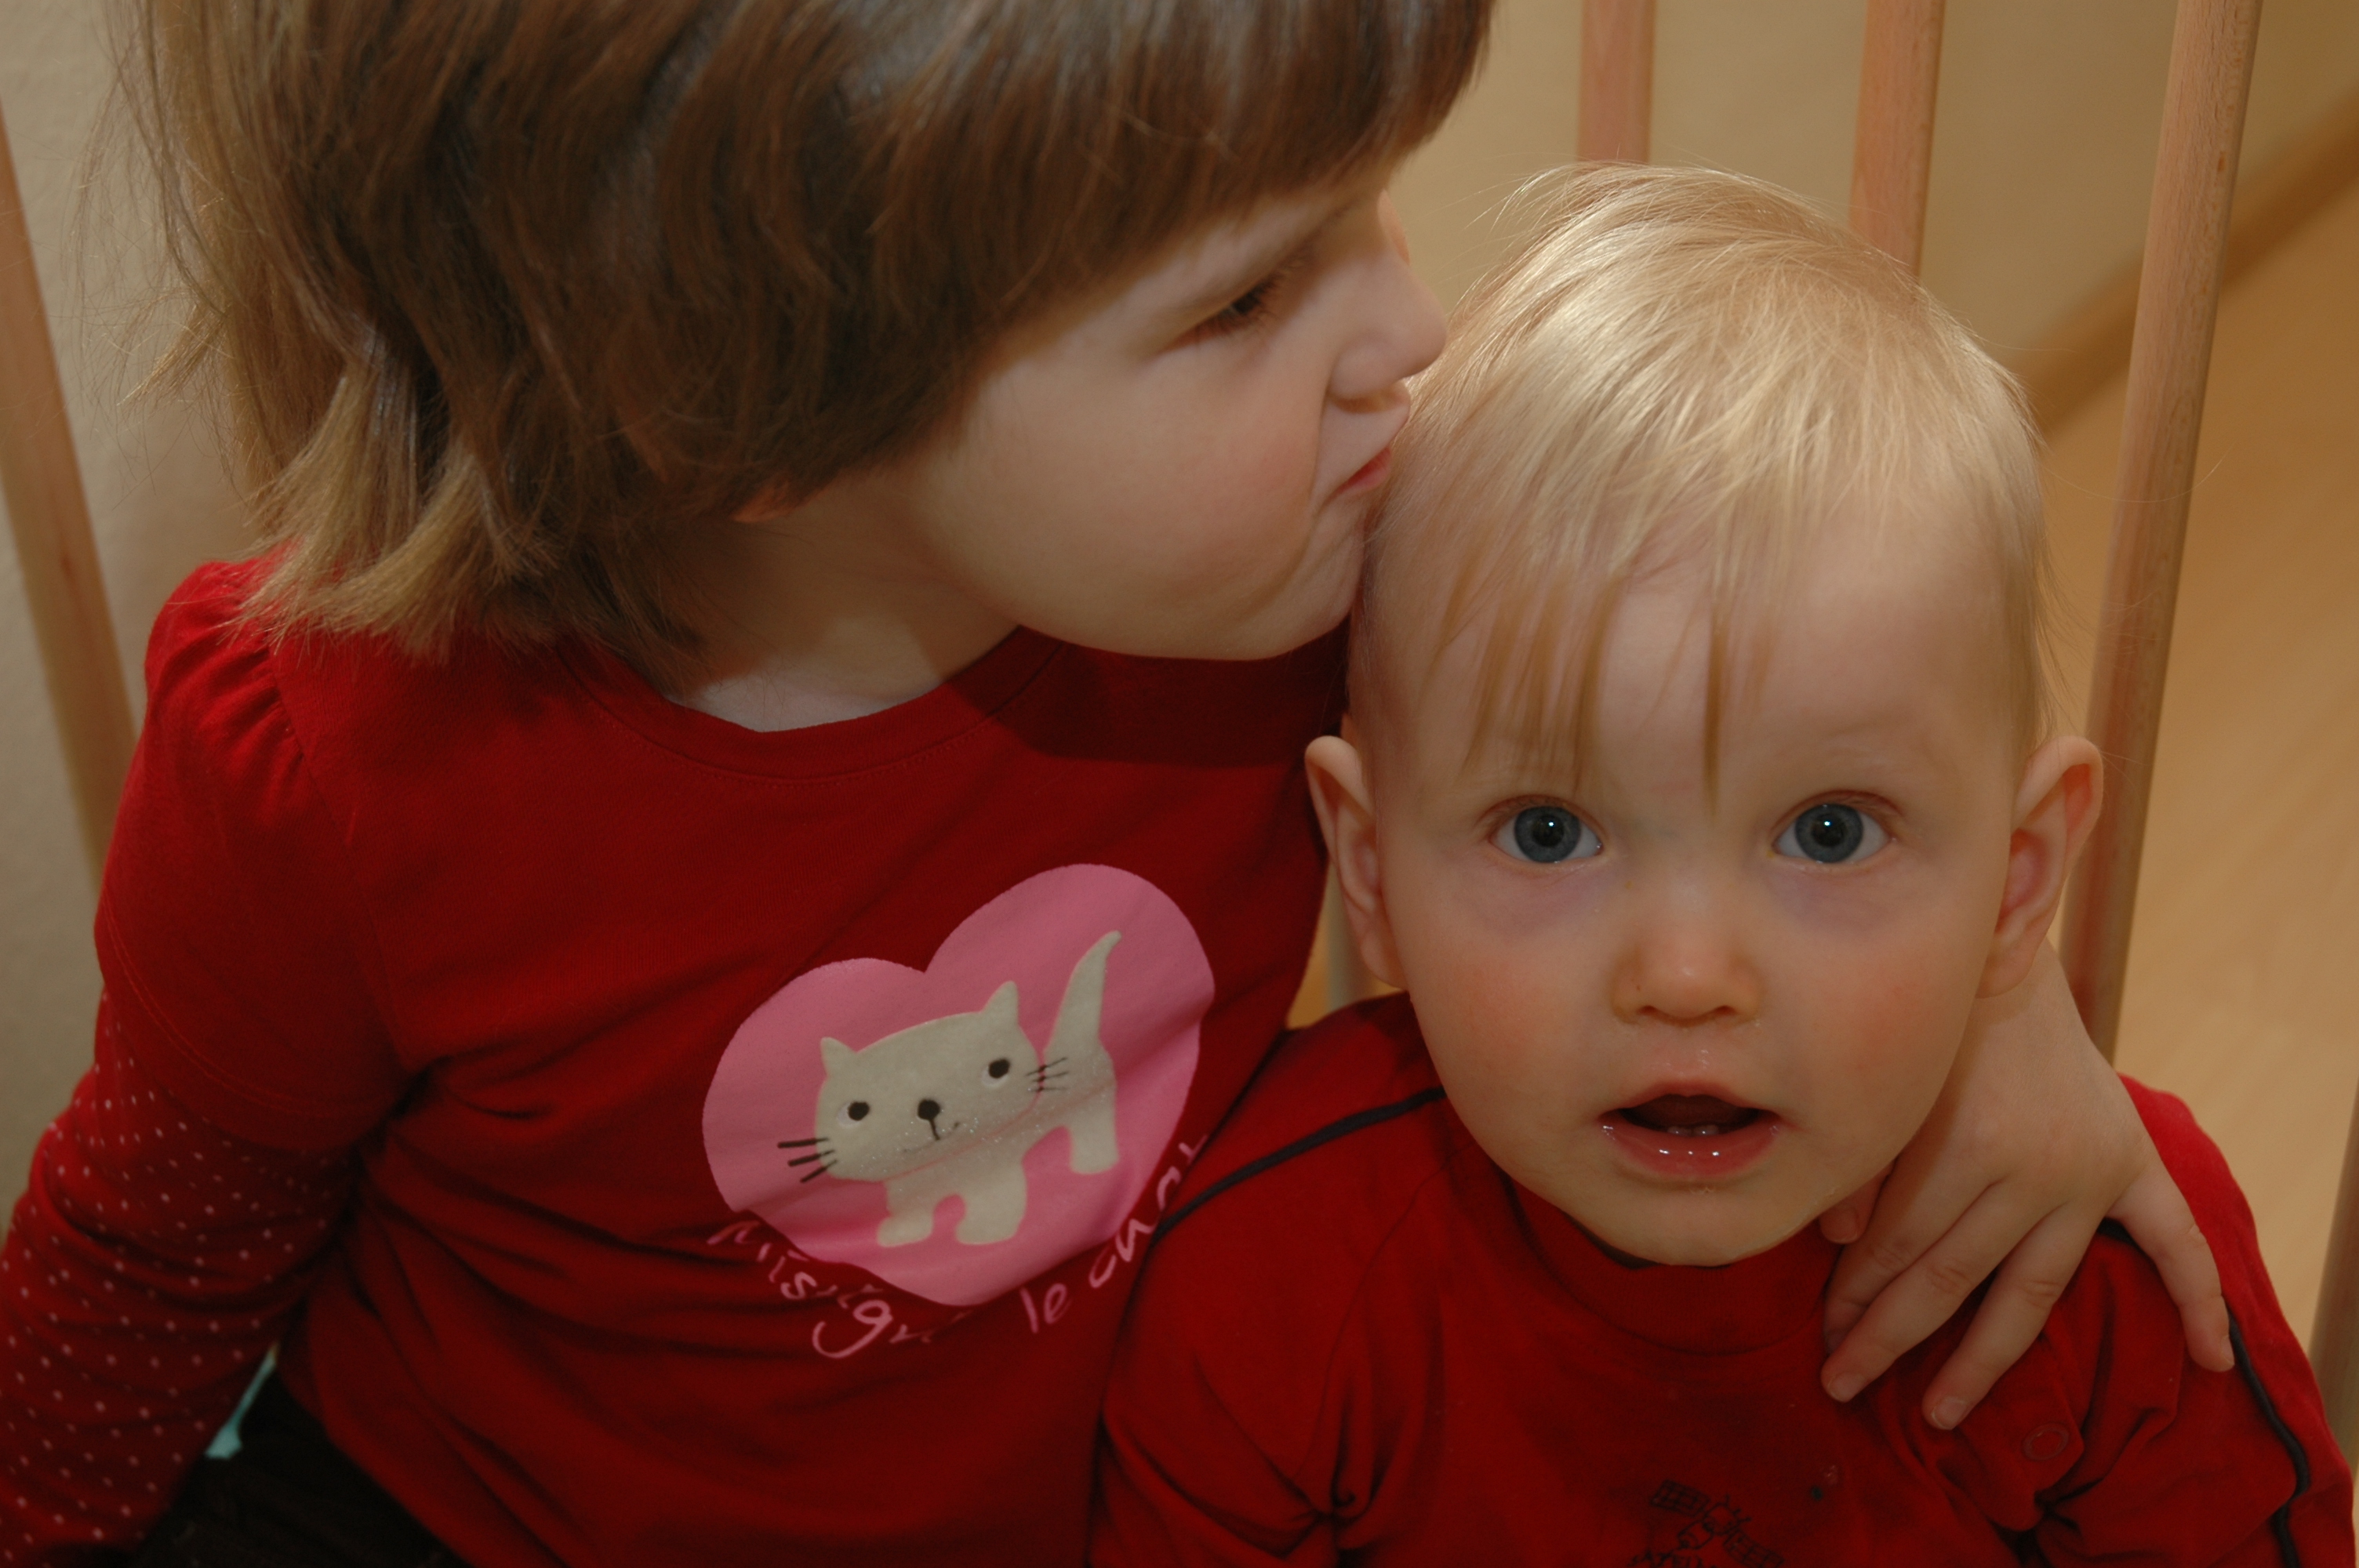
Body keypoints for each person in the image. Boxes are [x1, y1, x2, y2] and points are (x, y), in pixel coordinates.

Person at [0, 6, 2223, 1563]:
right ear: (730, 404)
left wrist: (2000, 1007)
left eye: (1368, 211)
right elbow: (151, 1251)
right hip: (450, 1522)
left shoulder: (1318, 551)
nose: (1408, 338)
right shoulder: (340, 761)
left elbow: (1771, 718)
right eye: (1248, 295)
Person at [1091, 163, 2351, 1566]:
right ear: (1372, 871)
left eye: (1829, 831)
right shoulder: (1268, 1279)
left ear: (2017, 876)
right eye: (1550, 831)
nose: (1687, 976)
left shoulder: (2100, 1252)